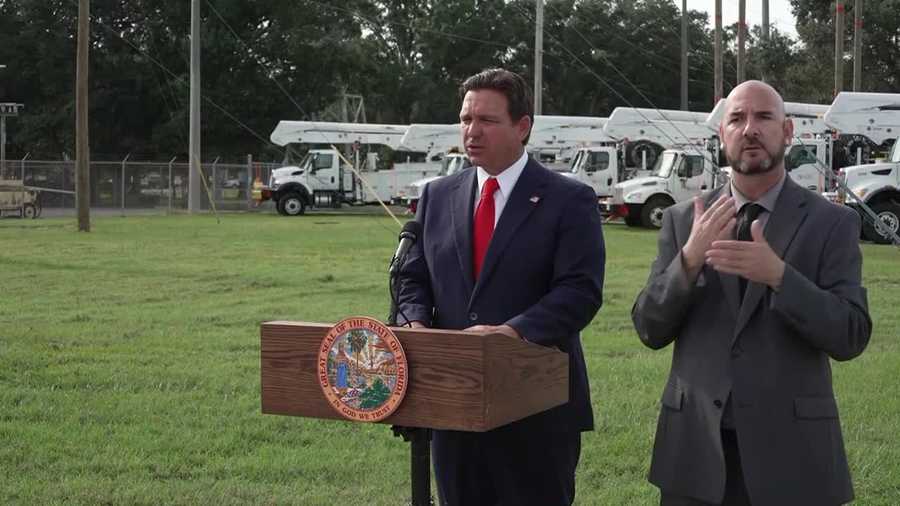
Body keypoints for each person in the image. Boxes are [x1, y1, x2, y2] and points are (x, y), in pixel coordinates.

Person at [632, 80, 872, 506]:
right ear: (721, 135)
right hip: (694, 454)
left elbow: (851, 334)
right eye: (737, 119)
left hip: (794, 456)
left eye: (764, 117)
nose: (750, 129)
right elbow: (649, 328)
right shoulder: (681, 220)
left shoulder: (833, 223)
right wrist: (687, 261)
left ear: (788, 131)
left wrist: (781, 276)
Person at [398, 68, 606, 506]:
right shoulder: (437, 195)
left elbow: (579, 291)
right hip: (452, 404)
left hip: (537, 408)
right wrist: (413, 322)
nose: (472, 132)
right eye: (465, 119)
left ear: (522, 126)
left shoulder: (569, 199)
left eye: (487, 121)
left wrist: (510, 333)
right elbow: (412, 277)